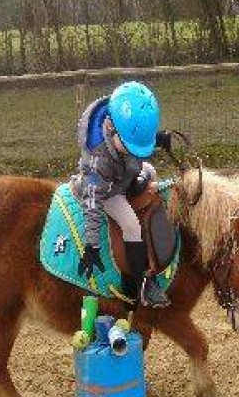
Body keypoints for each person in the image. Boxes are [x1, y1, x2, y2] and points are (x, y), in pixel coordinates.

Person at [71, 81, 172, 308]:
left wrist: (156, 139)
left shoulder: (122, 125)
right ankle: (140, 283)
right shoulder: (97, 163)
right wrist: (91, 245)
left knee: (151, 170)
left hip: (124, 173)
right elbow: (93, 202)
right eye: (130, 147)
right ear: (109, 127)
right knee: (131, 224)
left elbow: (135, 135)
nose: (134, 151)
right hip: (107, 190)